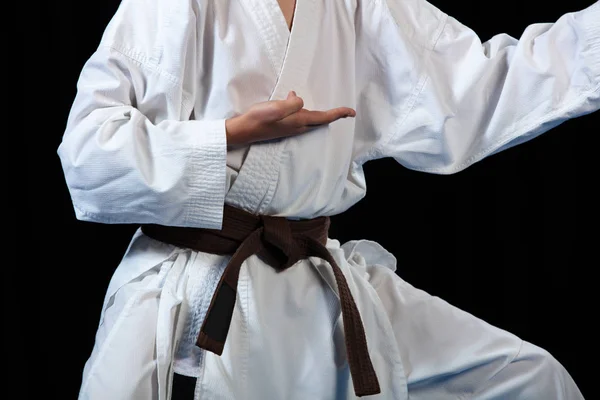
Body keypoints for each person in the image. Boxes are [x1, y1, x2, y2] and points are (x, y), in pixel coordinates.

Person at [58, 0, 599, 398]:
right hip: (199, 288)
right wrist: (229, 136)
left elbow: (478, 88)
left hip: (314, 283)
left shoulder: (359, 6)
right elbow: (88, 156)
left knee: (530, 380)